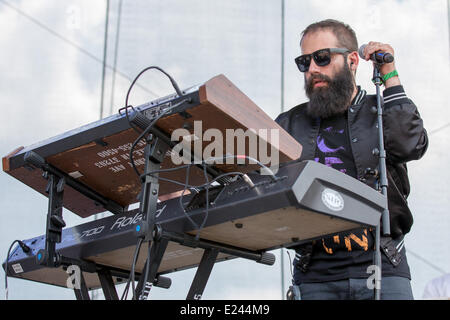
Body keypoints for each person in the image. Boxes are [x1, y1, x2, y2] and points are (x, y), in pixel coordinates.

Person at [276, 19, 428, 300]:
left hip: (384, 269)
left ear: (352, 60)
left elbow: (411, 145)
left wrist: (389, 73)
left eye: (322, 58)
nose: (312, 69)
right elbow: (257, 181)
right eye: (304, 61)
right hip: (314, 277)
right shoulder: (288, 123)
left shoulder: (381, 111)